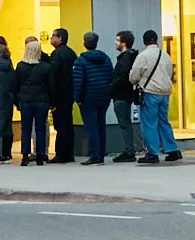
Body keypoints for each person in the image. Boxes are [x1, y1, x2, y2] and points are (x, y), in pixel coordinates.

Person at [133, 29, 183, 163]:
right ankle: (172, 150)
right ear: (156, 40)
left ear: (144, 41)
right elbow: (170, 72)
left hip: (150, 92)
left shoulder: (143, 56)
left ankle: (152, 152)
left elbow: (134, 75)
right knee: (163, 121)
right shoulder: (165, 55)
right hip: (165, 92)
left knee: (149, 123)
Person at [74, 31, 114, 165]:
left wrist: (77, 98)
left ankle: (94, 155)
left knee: (91, 127)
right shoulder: (106, 58)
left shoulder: (81, 61)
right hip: (104, 96)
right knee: (101, 125)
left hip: (88, 97)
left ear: (84, 43)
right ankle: (101, 154)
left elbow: (78, 81)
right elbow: (111, 76)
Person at [14, 36, 51, 165]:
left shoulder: (20, 66)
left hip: (25, 100)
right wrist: (52, 102)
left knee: (26, 128)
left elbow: (16, 85)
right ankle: (40, 155)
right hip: (41, 100)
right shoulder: (45, 67)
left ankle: (25, 156)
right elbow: (50, 86)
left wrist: (16, 102)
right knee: (40, 128)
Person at [110, 30, 146, 162]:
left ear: (124, 43)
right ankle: (129, 149)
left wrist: (112, 87)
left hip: (121, 95)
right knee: (126, 123)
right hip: (126, 94)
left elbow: (123, 76)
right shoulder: (131, 56)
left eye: (117, 40)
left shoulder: (125, 58)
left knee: (124, 123)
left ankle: (129, 150)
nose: (115, 42)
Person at [46, 28, 78, 163]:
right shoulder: (71, 53)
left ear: (60, 38)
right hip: (69, 93)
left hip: (59, 94)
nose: (50, 38)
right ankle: (69, 152)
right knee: (68, 124)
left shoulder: (56, 55)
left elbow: (52, 77)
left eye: (53, 36)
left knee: (60, 125)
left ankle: (61, 153)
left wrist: (52, 98)